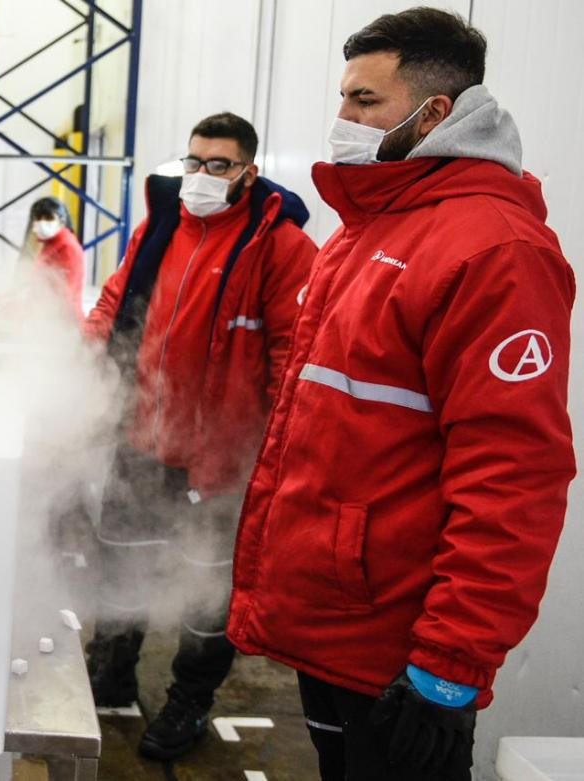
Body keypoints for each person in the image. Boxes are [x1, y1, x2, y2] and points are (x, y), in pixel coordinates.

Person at [227, 9, 575, 781]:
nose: (342, 119)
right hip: (336, 624)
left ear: (436, 113)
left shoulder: (493, 251)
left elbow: (513, 479)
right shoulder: (368, 227)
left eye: (364, 101)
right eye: (344, 98)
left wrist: (450, 664)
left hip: (398, 653)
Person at [83, 112, 317, 760]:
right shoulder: (160, 227)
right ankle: (112, 671)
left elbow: (292, 358)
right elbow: (113, 305)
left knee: (208, 590)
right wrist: (78, 368)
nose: (202, 176)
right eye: (194, 162)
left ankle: (189, 700)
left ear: (249, 171)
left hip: (219, 460)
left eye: (219, 165)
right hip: (141, 437)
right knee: (121, 555)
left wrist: (272, 457)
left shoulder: (280, 246)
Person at [27, 196, 85, 320]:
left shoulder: (68, 247)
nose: (42, 223)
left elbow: (65, 293)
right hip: (47, 317)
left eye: (48, 218)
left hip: (64, 322)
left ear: (62, 221)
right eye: (38, 218)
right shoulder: (50, 244)